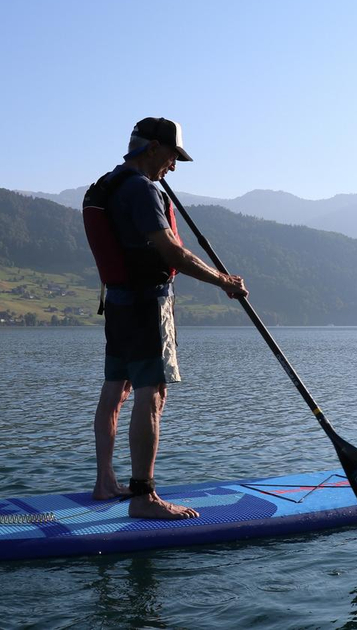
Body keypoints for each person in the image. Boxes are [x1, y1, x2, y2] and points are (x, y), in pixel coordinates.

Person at [87, 117, 247, 519]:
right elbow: (172, 253)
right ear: (154, 148)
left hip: (119, 306)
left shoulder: (108, 184)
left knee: (115, 392)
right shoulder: (142, 190)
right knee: (152, 395)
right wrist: (222, 280)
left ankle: (105, 482)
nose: (173, 167)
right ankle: (144, 497)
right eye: (173, 156)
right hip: (146, 306)